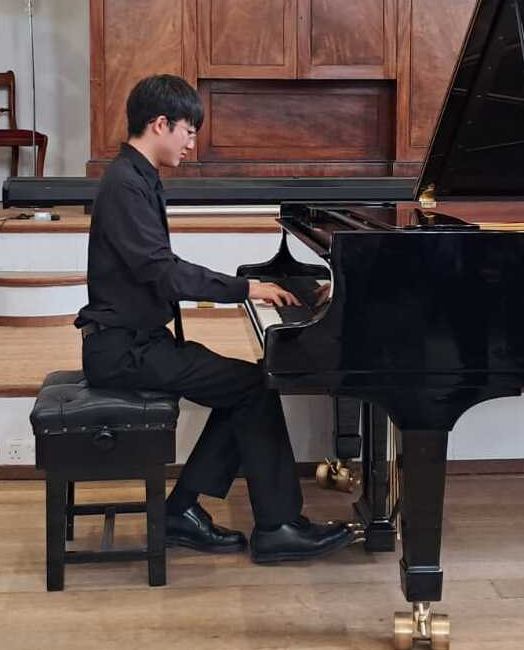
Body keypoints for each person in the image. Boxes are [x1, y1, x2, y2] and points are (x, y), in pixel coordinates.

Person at [76, 74, 354, 562]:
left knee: (245, 386)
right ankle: (278, 526)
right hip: (123, 351)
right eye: (187, 130)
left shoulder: (136, 178)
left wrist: (240, 288)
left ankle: (185, 511)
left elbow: (158, 272)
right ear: (160, 124)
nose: (191, 143)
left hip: (135, 343)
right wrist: (246, 287)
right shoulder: (125, 185)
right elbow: (162, 272)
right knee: (252, 386)